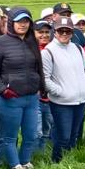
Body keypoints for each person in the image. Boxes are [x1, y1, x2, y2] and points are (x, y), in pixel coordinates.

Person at [0, 7, 44, 169]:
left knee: (31, 134)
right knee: (9, 136)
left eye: (26, 21)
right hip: (11, 98)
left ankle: (25, 161)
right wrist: (3, 90)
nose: (23, 25)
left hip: (31, 97)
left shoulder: (32, 41)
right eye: (19, 21)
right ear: (11, 22)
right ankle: (15, 166)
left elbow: (38, 67)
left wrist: (41, 87)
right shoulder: (1, 42)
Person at [41, 17, 85, 163]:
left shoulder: (78, 48)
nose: (64, 33)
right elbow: (45, 79)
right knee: (63, 137)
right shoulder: (48, 52)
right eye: (60, 30)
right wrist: (60, 92)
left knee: (73, 136)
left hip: (80, 100)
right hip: (61, 103)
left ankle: (69, 163)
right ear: (55, 32)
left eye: (68, 31)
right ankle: (57, 163)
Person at [33, 20, 54, 152]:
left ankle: (42, 157)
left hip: (50, 98)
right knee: (36, 132)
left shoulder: (53, 49)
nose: (44, 35)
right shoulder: (30, 49)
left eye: (47, 32)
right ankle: (32, 157)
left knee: (47, 130)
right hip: (35, 98)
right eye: (40, 32)